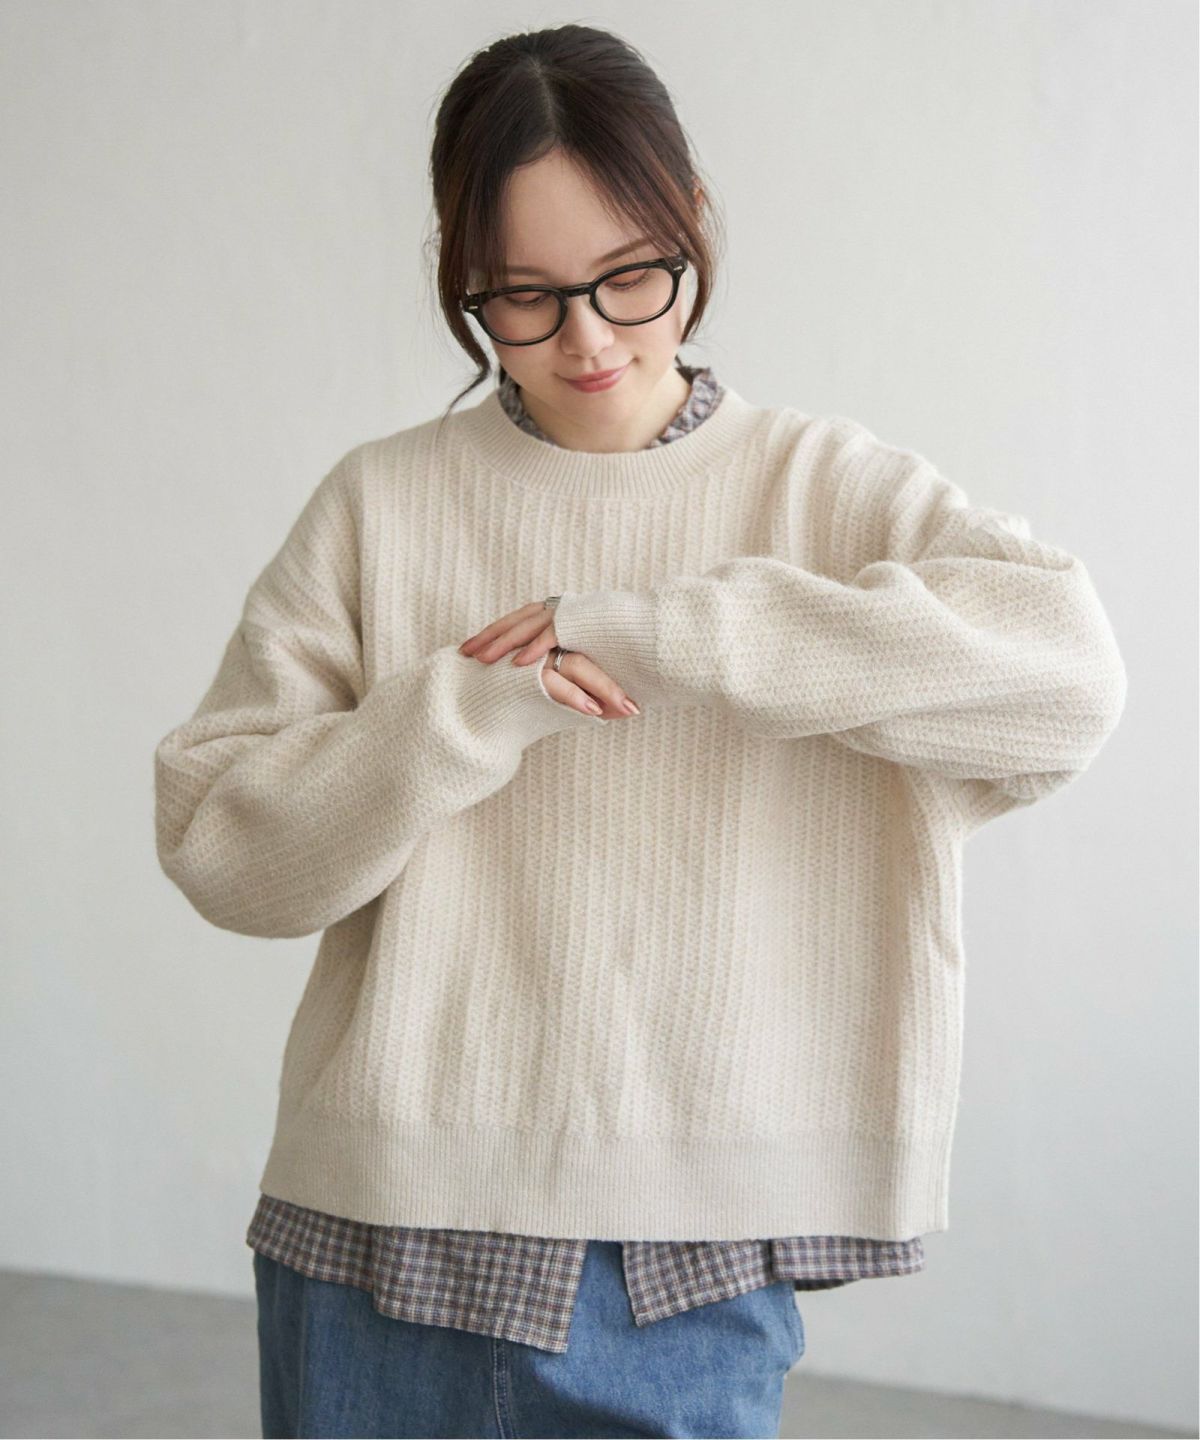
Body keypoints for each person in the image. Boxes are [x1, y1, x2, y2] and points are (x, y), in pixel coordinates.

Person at [153, 22, 1128, 1440]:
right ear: (462, 274)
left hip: (688, 1250)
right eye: (525, 297)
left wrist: (675, 637)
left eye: (630, 276)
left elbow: (1067, 679)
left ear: (692, 226)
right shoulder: (381, 503)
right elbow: (223, 850)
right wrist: (469, 703)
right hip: (379, 1228)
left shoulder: (824, 488)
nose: (590, 339)